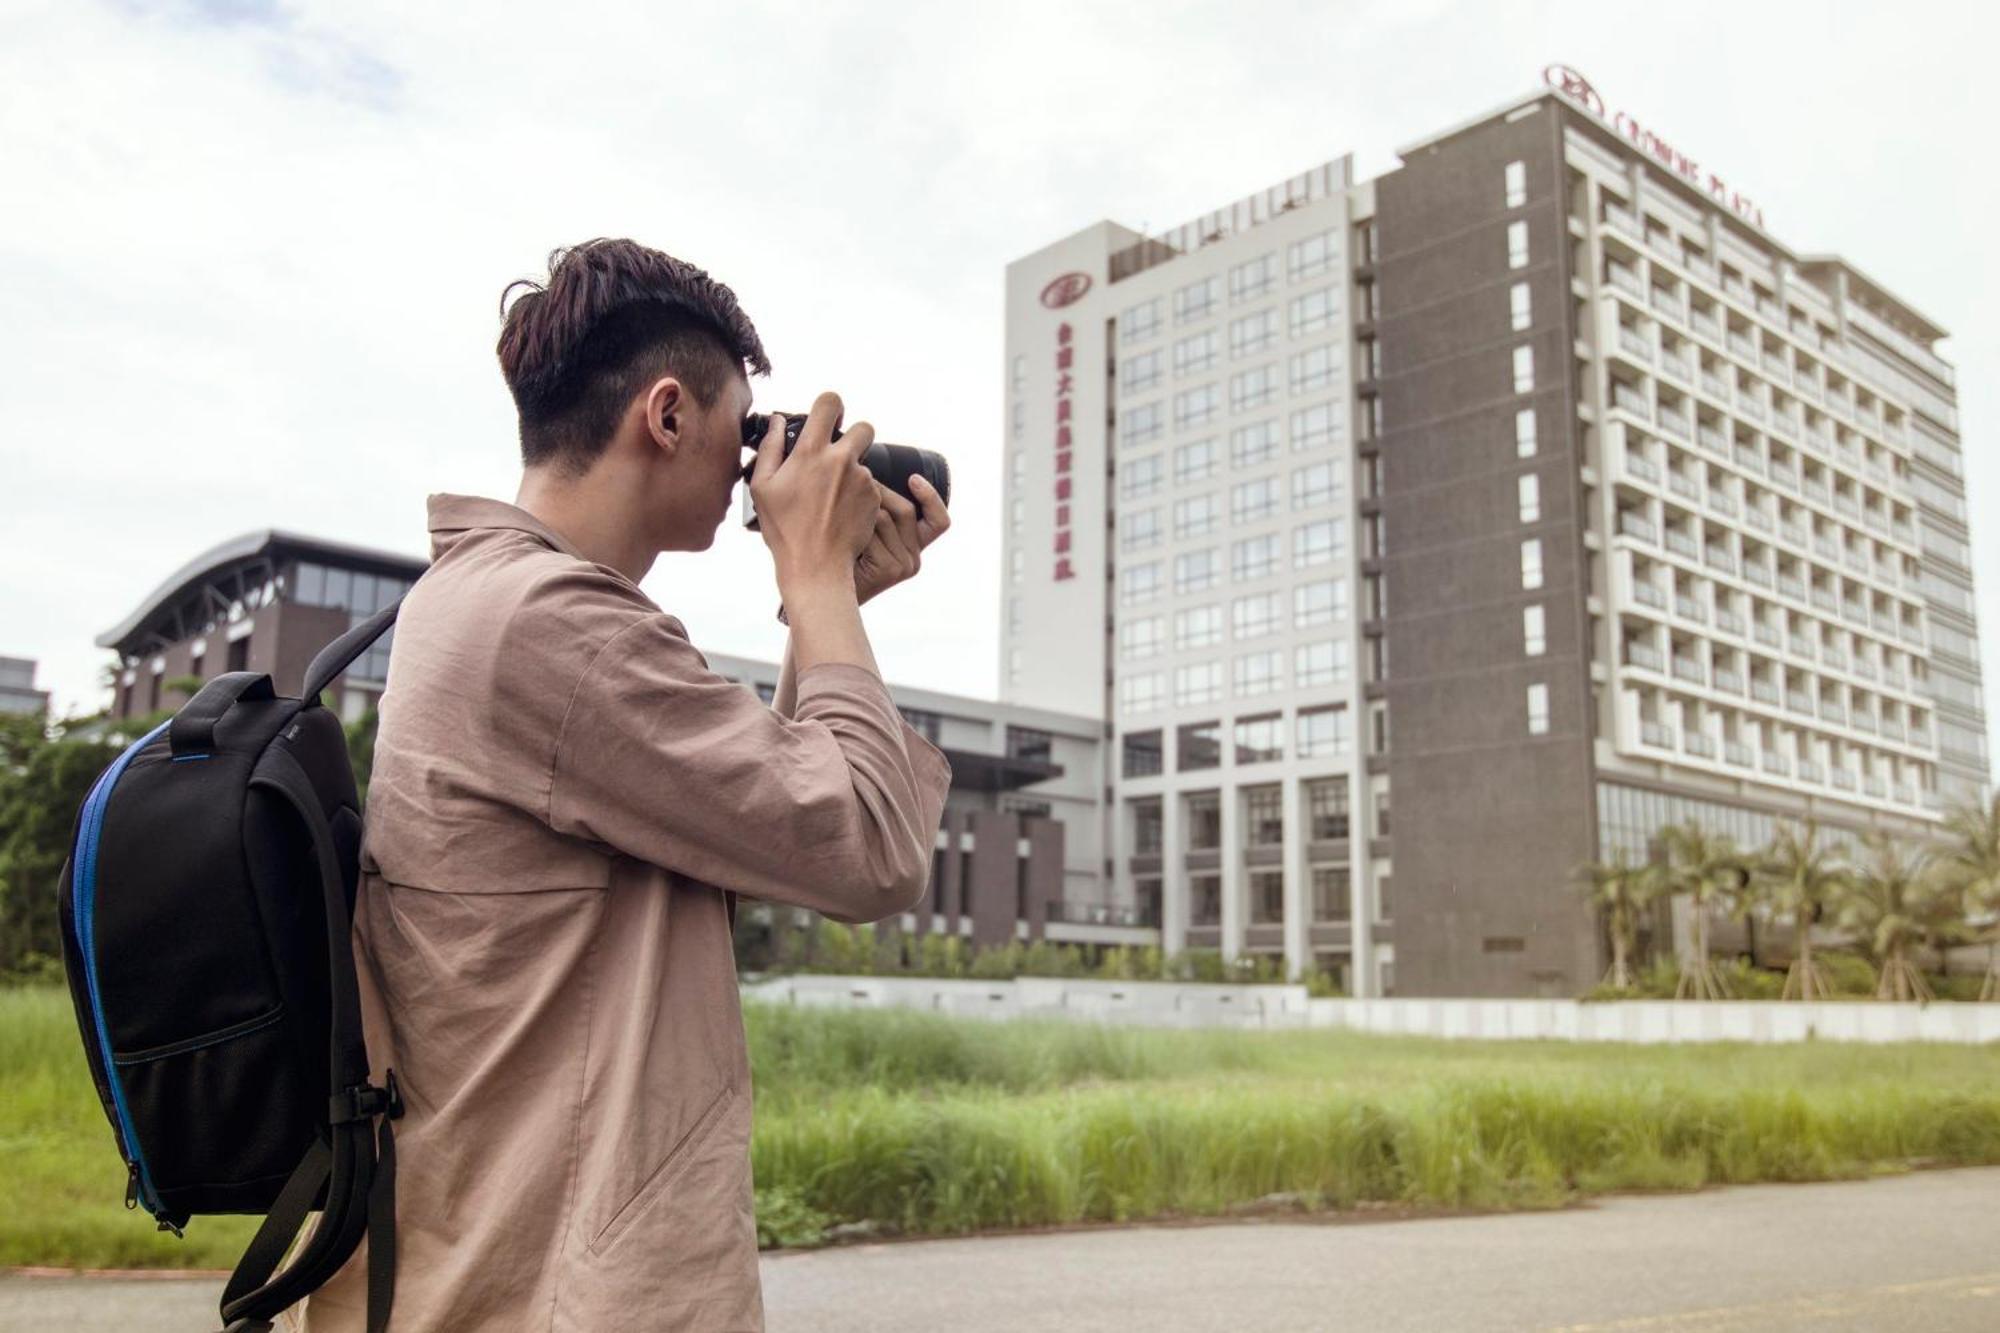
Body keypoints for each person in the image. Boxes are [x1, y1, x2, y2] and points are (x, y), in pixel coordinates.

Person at [291, 238, 953, 1331]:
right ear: (665, 415)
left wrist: (828, 604)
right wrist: (816, 578)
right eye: (744, 426)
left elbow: (774, 822)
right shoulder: (553, 628)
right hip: (550, 1289)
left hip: (508, 1269)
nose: (755, 466)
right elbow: (865, 849)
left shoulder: (496, 605)